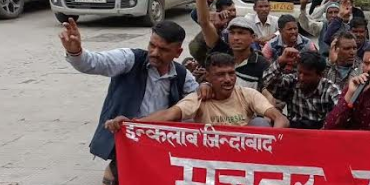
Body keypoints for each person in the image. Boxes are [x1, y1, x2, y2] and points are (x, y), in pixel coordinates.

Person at [61, 18, 198, 185]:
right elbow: (94, 62)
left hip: (160, 136)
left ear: (178, 52)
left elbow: (197, 98)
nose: (154, 52)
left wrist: (206, 87)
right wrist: (76, 51)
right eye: (152, 45)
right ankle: (116, 164)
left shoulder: (181, 74)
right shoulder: (129, 59)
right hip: (125, 132)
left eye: (163, 49)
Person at [106, 53, 288, 130]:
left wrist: (271, 142)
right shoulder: (199, 97)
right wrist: (132, 123)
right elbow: (170, 114)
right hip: (211, 156)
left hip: (247, 155)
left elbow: (280, 119)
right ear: (208, 77)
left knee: (260, 124)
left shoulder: (247, 94)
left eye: (231, 73)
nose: (228, 79)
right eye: (220, 75)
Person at [194, 0, 270, 92]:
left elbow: (266, 97)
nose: (235, 37)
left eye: (241, 33)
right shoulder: (220, 51)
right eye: (232, 33)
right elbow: (204, 22)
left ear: (253, 38)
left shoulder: (261, 64)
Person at [263, 50, 341, 129]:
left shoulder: (330, 90)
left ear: (320, 75)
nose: (301, 77)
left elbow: (340, 113)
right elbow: (268, 82)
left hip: (320, 134)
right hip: (293, 132)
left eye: (307, 74)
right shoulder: (293, 81)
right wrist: (281, 61)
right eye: (299, 72)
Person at [189, 0, 236, 65]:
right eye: (228, 11)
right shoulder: (211, 25)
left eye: (234, 10)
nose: (232, 13)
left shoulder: (239, 24)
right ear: (218, 12)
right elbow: (196, 14)